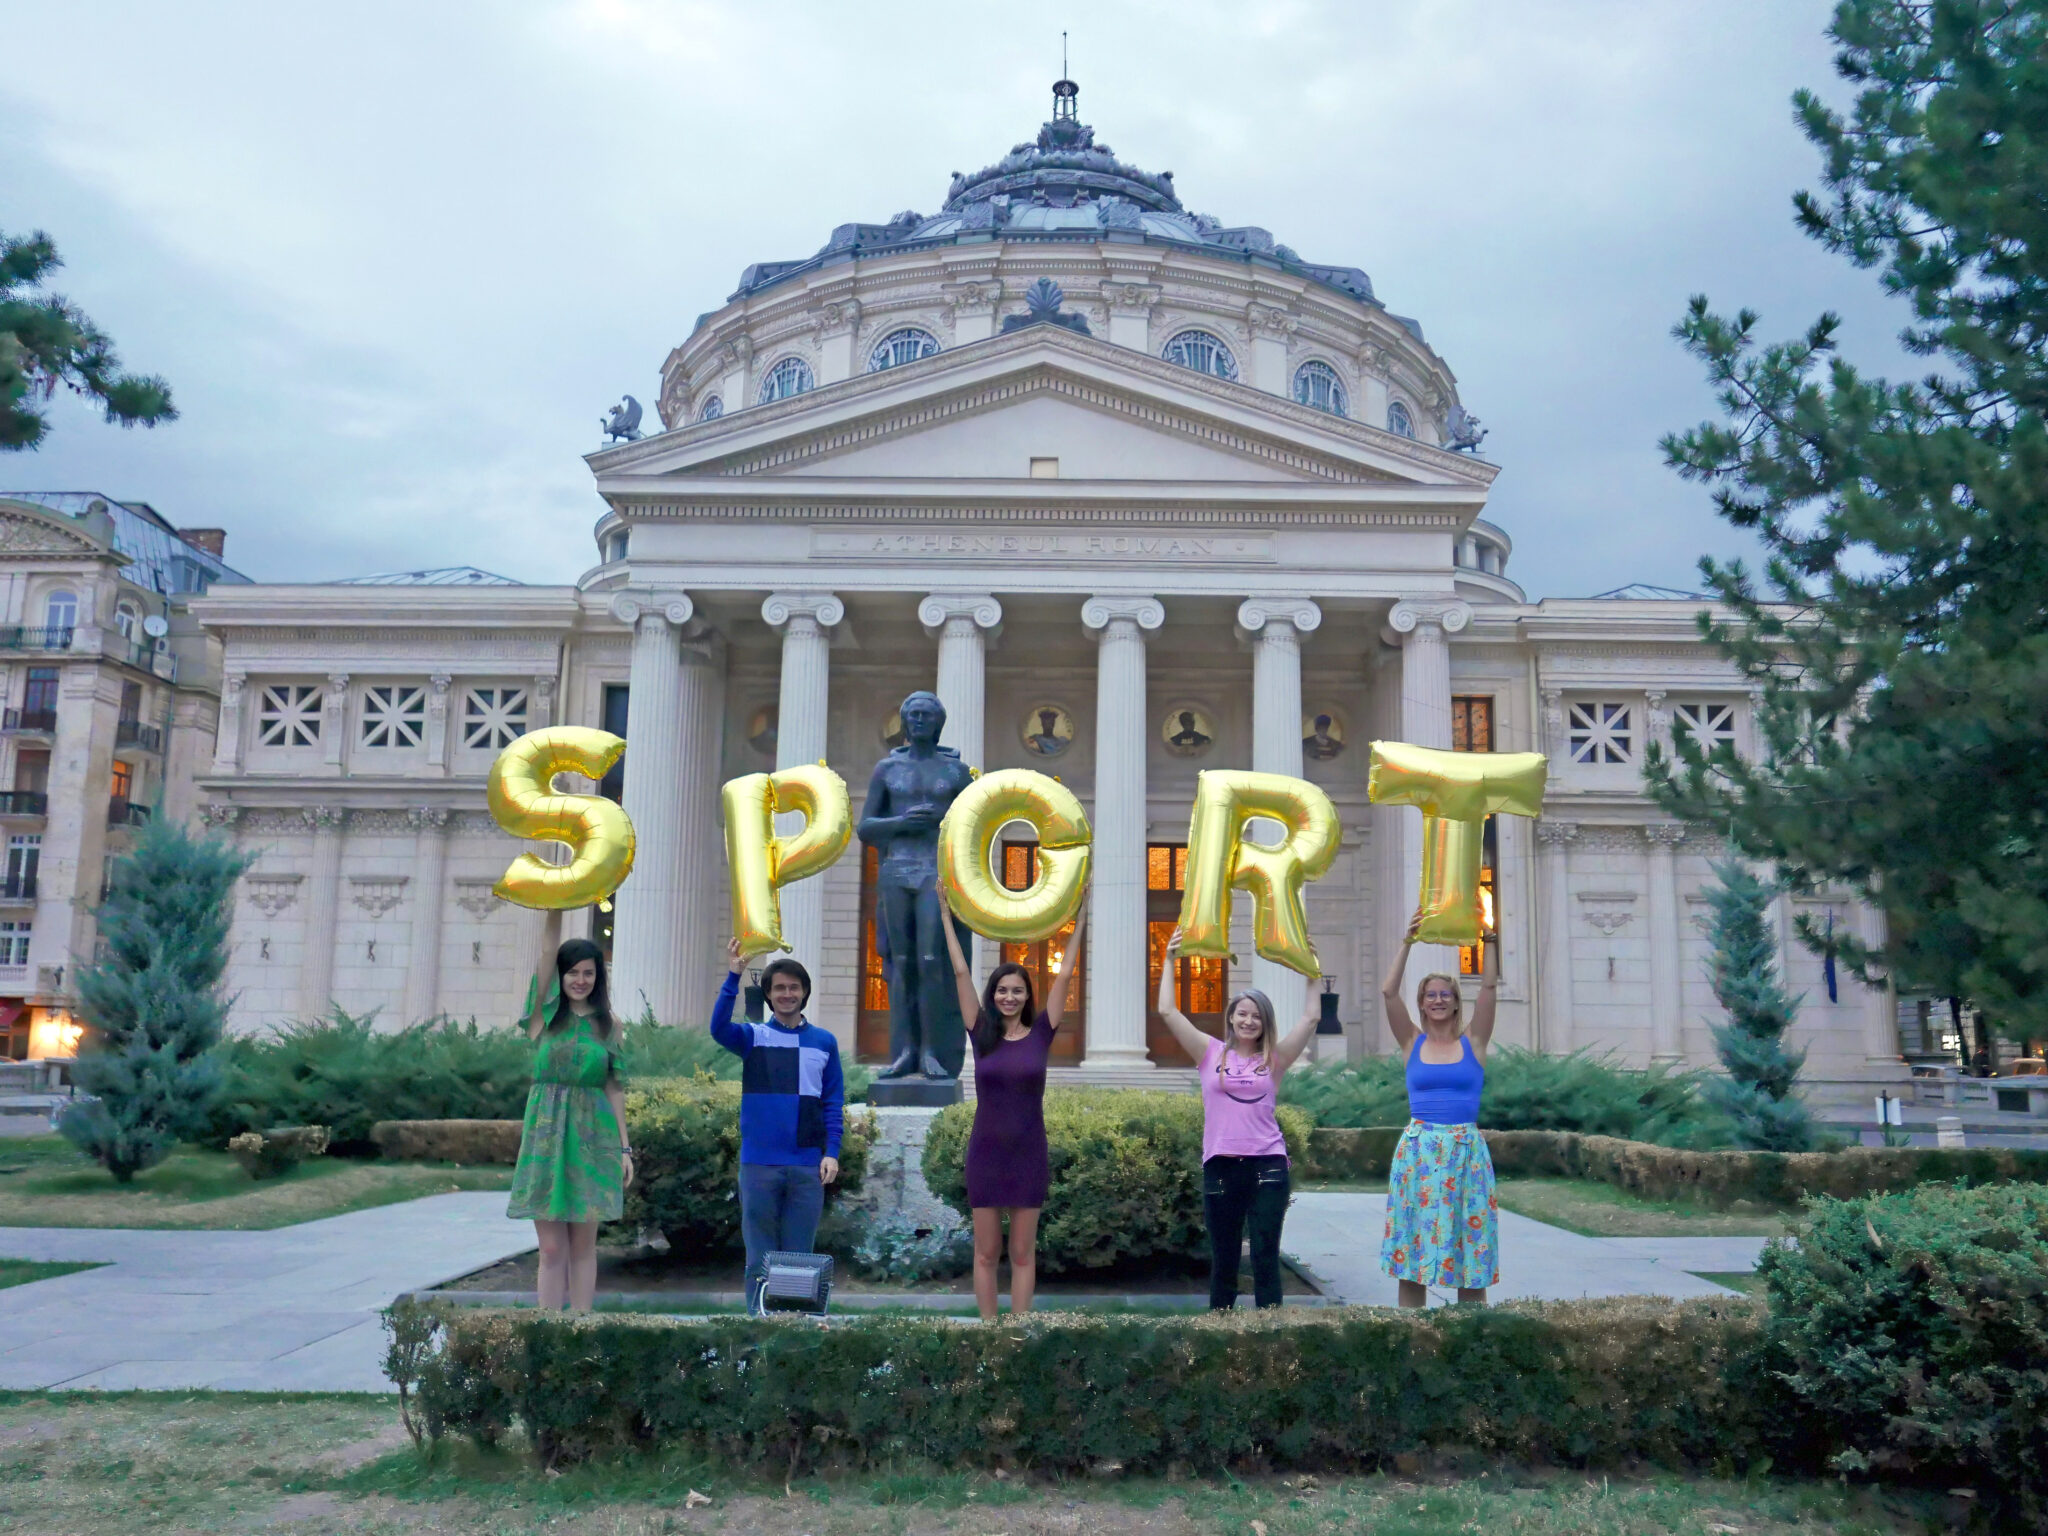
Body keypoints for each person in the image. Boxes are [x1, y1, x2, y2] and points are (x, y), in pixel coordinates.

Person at [1155, 927, 1321, 1310]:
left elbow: (1312, 1017)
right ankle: (1221, 1337)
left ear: (1265, 1023)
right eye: (1242, 1014)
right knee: (1224, 1259)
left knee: (1266, 1257)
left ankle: (1270, 1339)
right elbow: (1167, 1011)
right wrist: (1167, 960)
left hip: (1268, 1166)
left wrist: (1312, 969)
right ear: (1231, 1018)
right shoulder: (1208, 1052)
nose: (1248, 1021)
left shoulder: (1275, 1058)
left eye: (1256, 1016)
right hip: (1220, 1166)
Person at [940, 892, 1087, 1321]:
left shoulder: (1042, 1033)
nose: (1009, 996)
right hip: (986, 1155)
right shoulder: (980, 1030)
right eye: (1002, 990)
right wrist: (948, 917)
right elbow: (961, 971)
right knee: (986, 1254)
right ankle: (990, 1336)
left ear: (1027, 996)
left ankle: (1018, 1334)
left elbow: (1065, 978)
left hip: (1028, 1155)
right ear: (993, 994)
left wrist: (1080, 918)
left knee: (1023, 1254)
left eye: (1017, 990)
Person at [713, 938, 845, 1315]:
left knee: (800, 1260)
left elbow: (832, 1102)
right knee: (759, 1258)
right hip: (759, 1164)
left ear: (804, 993)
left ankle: (796, 1333)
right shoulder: (754, 1037)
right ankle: (759, 1329)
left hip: (806, 1164)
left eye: (793, 987)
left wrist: (831, 1153)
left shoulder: (824, 1042)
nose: (787, 994)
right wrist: (734, 975)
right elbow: (718, 1027)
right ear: (769, 996)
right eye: (779, 988)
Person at [506, 925, 633, 1312]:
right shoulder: (541, 1018)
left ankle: (581, 1329)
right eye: (573, 971)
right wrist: (555, 907)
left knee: (583, 1246)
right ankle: (548, 1330)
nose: (581, 980)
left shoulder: (609, 1026)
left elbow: (614, 1088)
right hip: (545, 1136)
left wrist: (625, 1148)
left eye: (588, 972)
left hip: (594, 1137)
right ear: (561, 975)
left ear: (598, 977)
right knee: (551, 1246)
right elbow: (545, 955)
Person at [1378, 909, 1499, 1307]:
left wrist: (1488, 939)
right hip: (1419, 1155)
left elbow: (1489, 991)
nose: (1438, 999)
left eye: (1445, 994)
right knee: (1413, 1256)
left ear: (1454, 1002)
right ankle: (1412, 1342)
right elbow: (1388, 993)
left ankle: (1471, 1341)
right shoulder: (1411, 1042)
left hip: (1466, 1153)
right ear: (1423, 1003)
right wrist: (1407, 942)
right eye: (1431, 994)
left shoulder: (1474, 1043)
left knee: (1471, 1254)